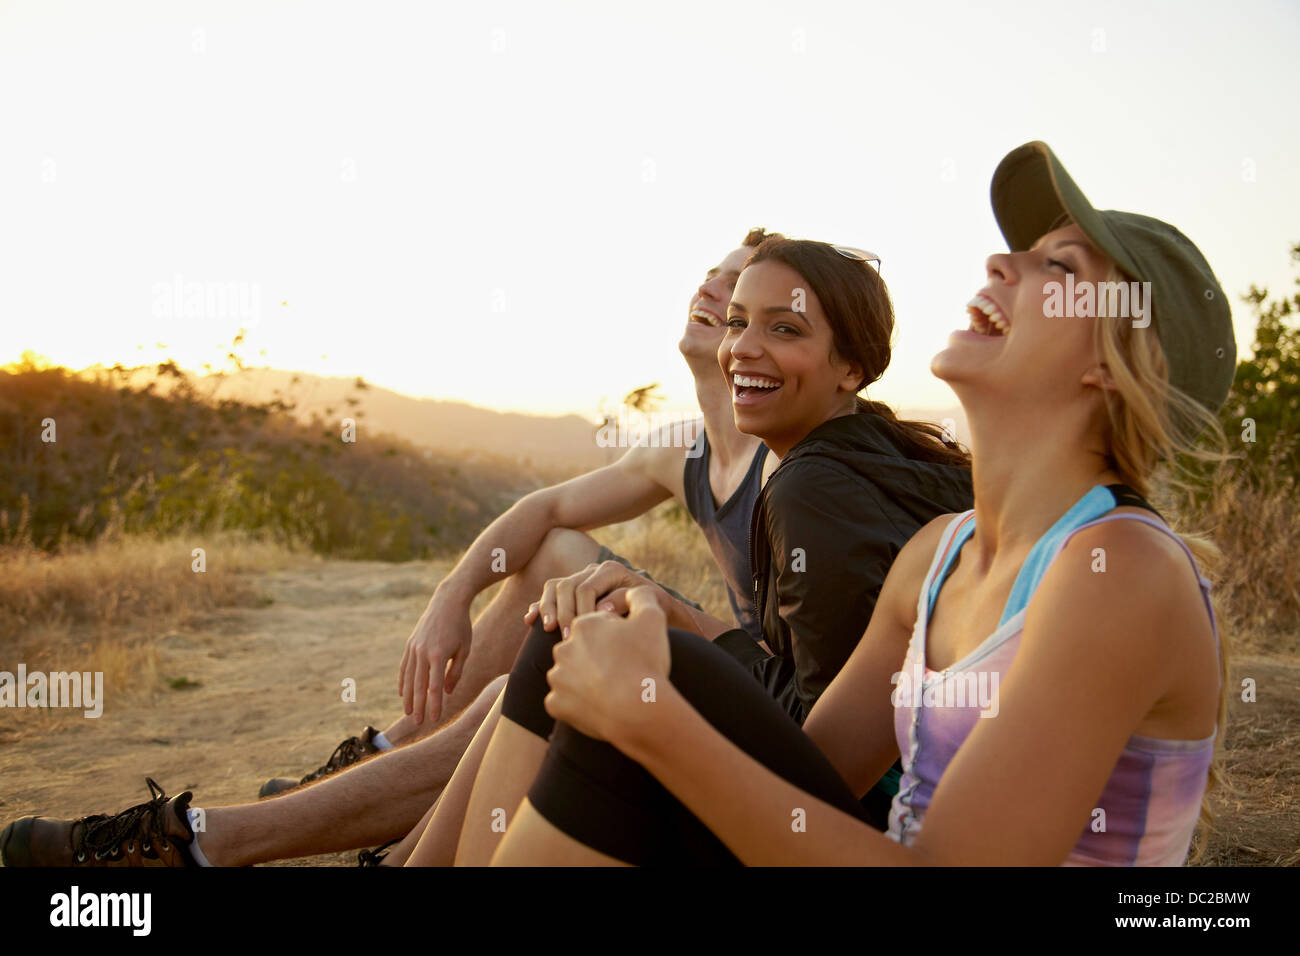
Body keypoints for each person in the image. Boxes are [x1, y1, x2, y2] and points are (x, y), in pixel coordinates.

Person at [487, 141, 1235, 866]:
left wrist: (648, 720)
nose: (999, 261)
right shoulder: (938, 556)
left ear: (1113, 362)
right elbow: (808, 776)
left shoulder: (1121, 571)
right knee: (587, 633)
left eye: (1057, 266)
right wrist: (659, 628)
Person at [0, 229, 785, 868]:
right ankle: (383, 755)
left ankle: (203, 842)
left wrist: (659, 610)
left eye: (736, 287)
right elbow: (541, 507)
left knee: (553, 651)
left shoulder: (787, 460)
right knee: (557, 552)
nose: (709, 290)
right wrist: (451, 599)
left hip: (758, 710)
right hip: (727, 668)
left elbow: (807, 676)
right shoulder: (682, 449)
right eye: (710, 276)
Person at [407, 235, 973, 865]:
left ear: (851, 367)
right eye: (738, 322)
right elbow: (827, 687)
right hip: (862, 782)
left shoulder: (811, 490)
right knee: (596, 622)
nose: (744, 348)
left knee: (572, 634)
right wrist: (673, 616)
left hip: (852, 821)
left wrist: (665, 693)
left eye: (784, 329)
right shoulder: (881, 452)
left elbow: (826, 758)